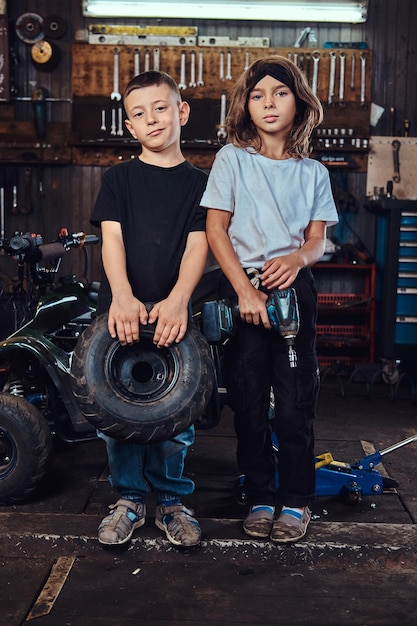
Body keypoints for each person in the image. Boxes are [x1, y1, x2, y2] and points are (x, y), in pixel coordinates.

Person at [201, 55, 338, 543]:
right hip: (242, 286)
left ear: (299, 101)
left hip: (292, 289)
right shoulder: (231, 160)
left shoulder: (313, 172)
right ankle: (260, 493)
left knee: (295, 402)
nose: (268, 103)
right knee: (249, 398)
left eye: (279, 93)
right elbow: (216, 230)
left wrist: (298, 260)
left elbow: (318, 239)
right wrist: (243, 289)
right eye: (257, 95)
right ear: (246, 106)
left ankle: (297, 500)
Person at [91, 70, 208, 548]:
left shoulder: (203, 184)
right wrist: (122, 295)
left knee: (175, 416)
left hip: (176, 312)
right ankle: (129, 500)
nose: (152, 119)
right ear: (130, 127)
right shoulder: (117, 178)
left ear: (181, 112)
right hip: (122, 311)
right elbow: (111, 239)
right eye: (139, 114)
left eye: (161, 108)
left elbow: (199, 244)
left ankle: (172, 500)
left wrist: (179, 299)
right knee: (119, 411)